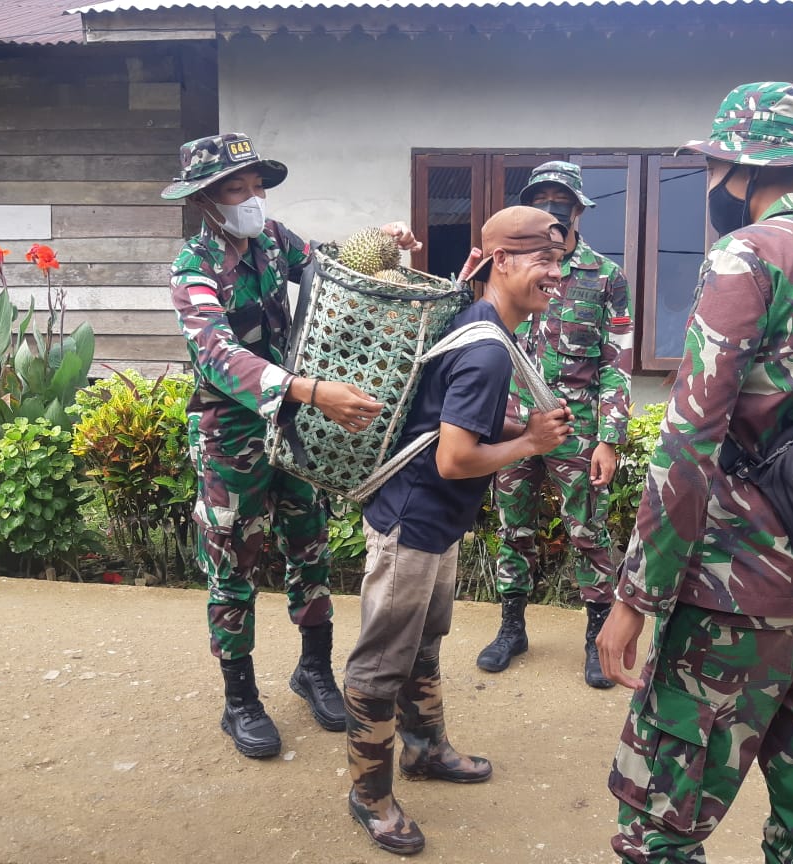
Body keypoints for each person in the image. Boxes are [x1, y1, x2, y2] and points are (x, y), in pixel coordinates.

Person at [597, 82, 793, 863]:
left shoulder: (746, 256)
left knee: (658, 830)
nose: (711, 187)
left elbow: (688, 442)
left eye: (714, 170)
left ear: (743, 173)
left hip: (736, 597)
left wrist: (636, 596)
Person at [162, 132, 420, 759]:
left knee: (309, 547)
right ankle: (240, 699)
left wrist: (386, 242)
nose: (252, 198)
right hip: (232, 436)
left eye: (256, 185)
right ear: (206, 199)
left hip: (292, 426)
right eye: (235, 188)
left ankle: (313, 670)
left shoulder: (275, 239)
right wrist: (309, 389)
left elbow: (330, 266)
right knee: (234, 564)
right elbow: (218, 355)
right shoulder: (193, 268)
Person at [343, 206, 574, 855]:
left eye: (558, 260)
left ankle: (424, 749)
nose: (554, 273)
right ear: (501, 261)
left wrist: (517, 433)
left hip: (435, 521)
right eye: (540, 259)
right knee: (381, 662)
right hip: (412, 521)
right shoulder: (485, 348)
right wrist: (528, 443)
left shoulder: (485, 328)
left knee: (423, 642)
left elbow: (455, 427)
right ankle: (369, 795)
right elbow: (453, 457)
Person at [476, 161, 634, 689]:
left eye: (561, 200)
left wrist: (610, 439)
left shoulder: (605, 278)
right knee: (513, 528)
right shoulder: (504, 271)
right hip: (514, 425)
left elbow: (618, 363)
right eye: (541, 199)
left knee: (588, 532)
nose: (552, 209)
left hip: (577, 427)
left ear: (580, 210)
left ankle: (595, 637)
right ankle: (512, 628)